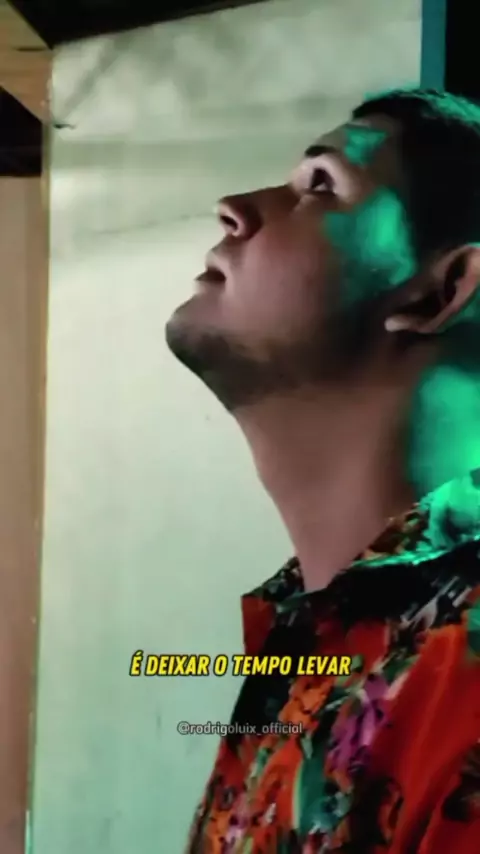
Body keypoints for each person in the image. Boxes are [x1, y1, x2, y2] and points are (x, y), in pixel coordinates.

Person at [165, 88, 480, 853]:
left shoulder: (468, 669)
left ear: (442, 290)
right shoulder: (306, 637)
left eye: (320, 185)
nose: (234, 208)